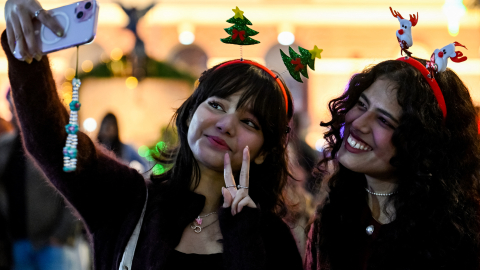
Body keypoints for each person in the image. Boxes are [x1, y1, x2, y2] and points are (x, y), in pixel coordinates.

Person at [2, 0, 303, 269]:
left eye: (250, 122)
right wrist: (26, 52)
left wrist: (243, 237)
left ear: (265, 151)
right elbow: (52, 143)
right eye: (216, 104)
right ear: (189, 115)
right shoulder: (130, 200)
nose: (226, 124)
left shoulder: (272, 238)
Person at [305, 58, 480, 269]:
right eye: (361, 104)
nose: (358, 123)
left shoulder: (458, 238)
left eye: (384, 120)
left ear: (419, 144)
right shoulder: (332, 218)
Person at [0, 90, 87, 270]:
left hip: (51, 244)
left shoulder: (53, 142)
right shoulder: (5, 146)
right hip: (18, 241)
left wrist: (61, 234)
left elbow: (75, 187)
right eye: (11, 106)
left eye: (16, 105)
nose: (14, 112)